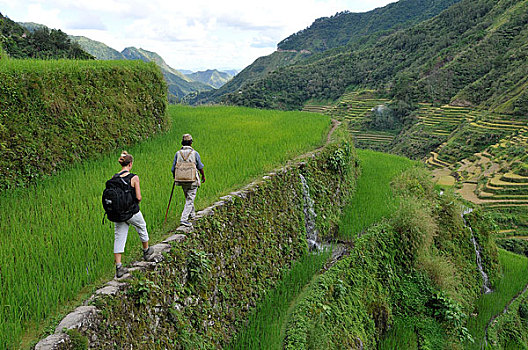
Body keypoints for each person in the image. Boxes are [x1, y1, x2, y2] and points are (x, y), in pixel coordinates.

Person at [113, 151, 154, 278]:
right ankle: (146, 251)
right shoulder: (134, 177)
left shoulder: (114, 177)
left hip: (118, 213)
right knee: (142, 226)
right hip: (131, 211)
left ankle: (119, 266)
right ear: (130, 164)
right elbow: (139, 197)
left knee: (119, 237)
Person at [171, 134, 205, 227]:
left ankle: (192, 214)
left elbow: (173, 168)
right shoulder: (194, 153)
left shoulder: (178, 153)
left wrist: (175, 177)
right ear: (190, 142)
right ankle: (184, 219)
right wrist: (203, 176)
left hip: (181, 179)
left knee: (188, 197)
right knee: (190, 198)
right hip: (192, 179)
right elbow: (200, 167)